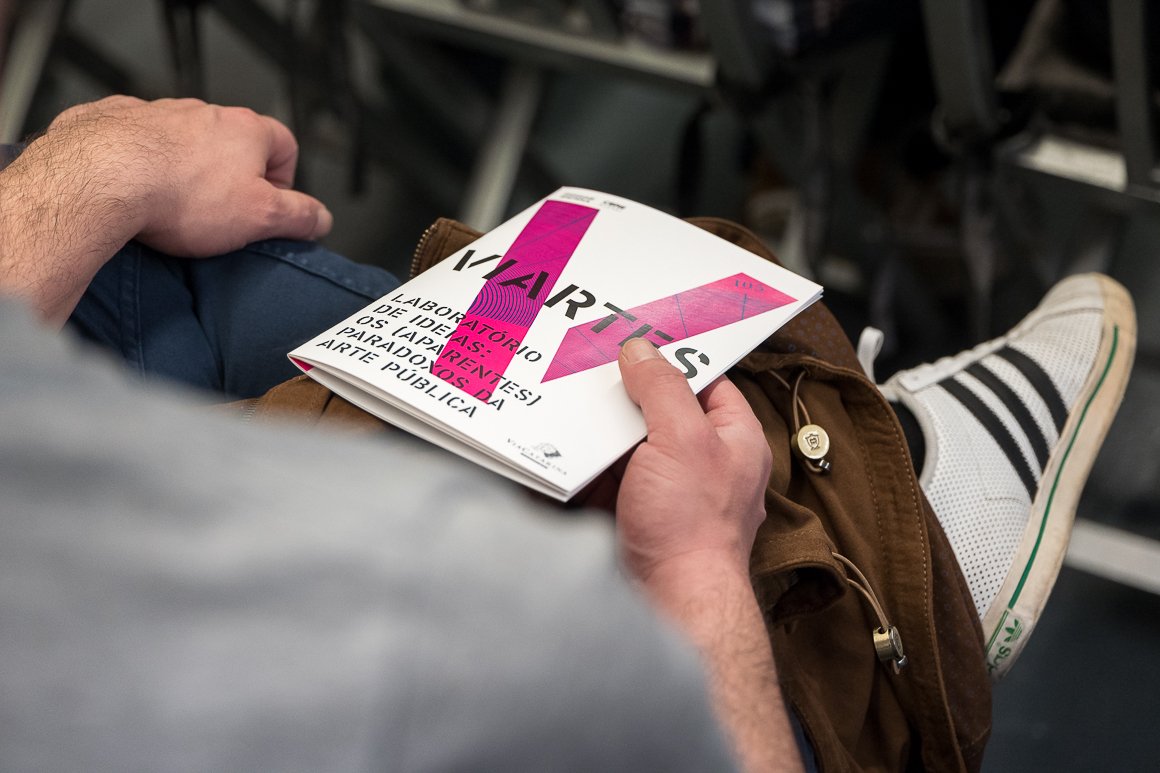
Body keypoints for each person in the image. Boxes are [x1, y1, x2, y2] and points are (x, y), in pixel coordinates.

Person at [0, 96, 1136, 771]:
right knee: (620, 534)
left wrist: (90, 170)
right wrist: (695, 570)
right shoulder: (410, 630)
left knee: (140, 267)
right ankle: (899, 541)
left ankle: (833, 489)